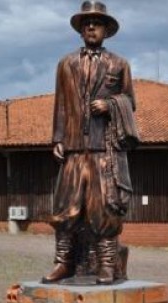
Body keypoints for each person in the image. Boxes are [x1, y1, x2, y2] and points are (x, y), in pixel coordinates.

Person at [43, 1, 138, 285]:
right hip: (73, 148)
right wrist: (58, 138)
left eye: (97, 23)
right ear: (81, 30)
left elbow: (130, 101)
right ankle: (63, 262)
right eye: (87, 24)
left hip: (103, 150)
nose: (92, 27)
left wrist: (110, 104)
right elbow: (60, 104)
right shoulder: (66, 64)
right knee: (65, 207)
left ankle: (107, 265)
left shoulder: (119, 64)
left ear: (106, 30)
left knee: (104, 207)